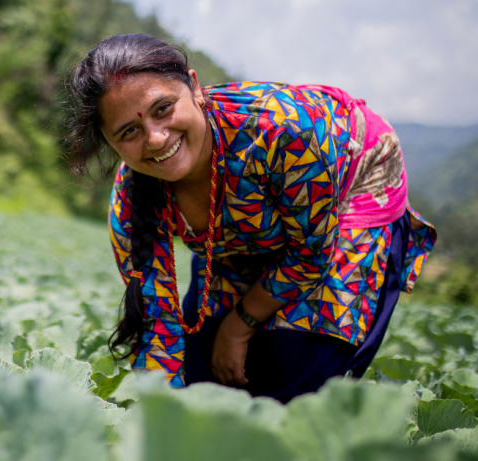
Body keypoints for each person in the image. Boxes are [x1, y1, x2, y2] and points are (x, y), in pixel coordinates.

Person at [64, 33, 437, 403]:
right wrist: (168, 420)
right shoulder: (131, 202)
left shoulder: (283, 132)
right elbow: (158, 328)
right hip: (255, 222)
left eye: (163, 108)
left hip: (352, 180)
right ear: (109, 142)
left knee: (299, 366)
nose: (156, 138)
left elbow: (311, 253)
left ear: (194, 87)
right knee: (201, 366)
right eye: (129, 131)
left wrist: (238, 326)